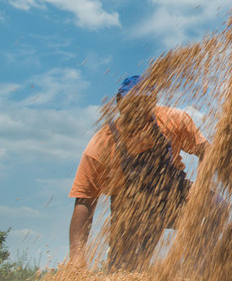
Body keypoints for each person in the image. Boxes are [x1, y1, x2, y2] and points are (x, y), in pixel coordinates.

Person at [68, 75, 209, 270]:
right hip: (133, 212)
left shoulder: (173, 120)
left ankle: (201, 276)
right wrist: (77, 256)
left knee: (216, 207)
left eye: (145, 103)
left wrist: (200, 187)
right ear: (119, 103)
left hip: (173, 196)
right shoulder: (101, 144)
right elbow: (84, 200)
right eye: (132, 103)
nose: (138, 110)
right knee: (125, 272)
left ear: (153, 103)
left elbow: (207, 152)